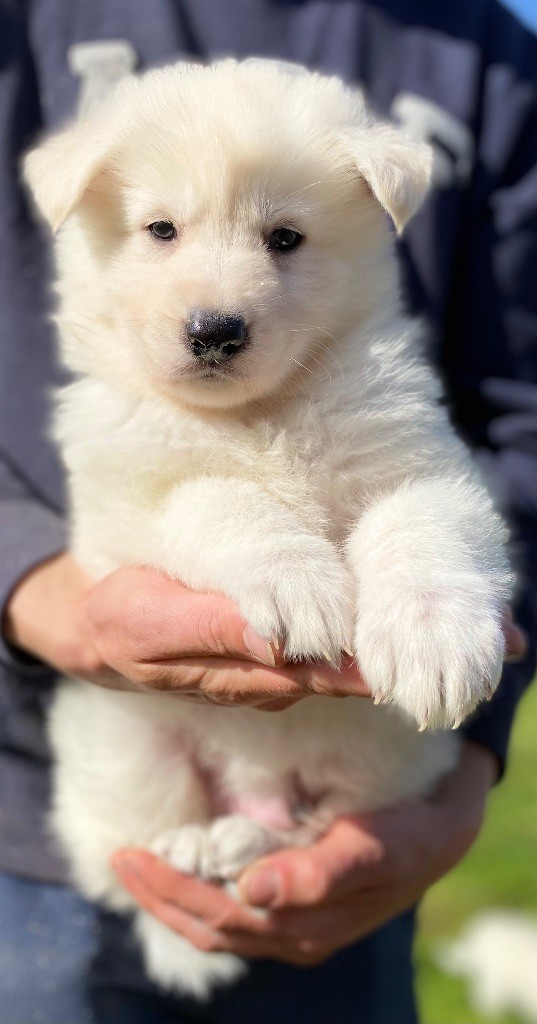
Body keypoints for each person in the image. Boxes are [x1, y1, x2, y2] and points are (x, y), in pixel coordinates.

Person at [0, 1, 535, 1022]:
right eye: (161, 230)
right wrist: (42, 576)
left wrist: (433, 590)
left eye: (284, 238)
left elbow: (437, 479)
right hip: (71, 838)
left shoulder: (494, 62)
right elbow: (136, 519)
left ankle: (276, 838)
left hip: (363, 834)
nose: (219, 302)